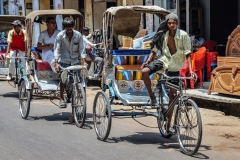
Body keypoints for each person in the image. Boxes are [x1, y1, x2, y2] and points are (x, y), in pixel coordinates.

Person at [141, 13, 194, 131]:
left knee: (173, 96)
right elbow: (154, 50)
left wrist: (191, 70)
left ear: (177, 24)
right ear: (167, 24)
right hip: (164, 60)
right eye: (169, 23)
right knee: (144, 71)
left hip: (175, 66)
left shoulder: (184, 35)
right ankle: (152, 97)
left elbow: (188, 54)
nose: (171, 25)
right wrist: (148, 61)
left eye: (173, 23)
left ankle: (168, 124)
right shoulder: (163, 35)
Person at [54, 17, 87, 107]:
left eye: (70, 27)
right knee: (63, 79)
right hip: (63, 60)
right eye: (67, 27)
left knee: (78, 78)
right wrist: (56, 63)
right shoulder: (60, 36)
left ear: (73, 26)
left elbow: (82, 49)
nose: (69, 29)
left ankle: (75, 93)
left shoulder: (78, 35)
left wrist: (83, 61)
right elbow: (56, 49)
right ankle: (61, 98)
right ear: (64, 27)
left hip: (75, 60)